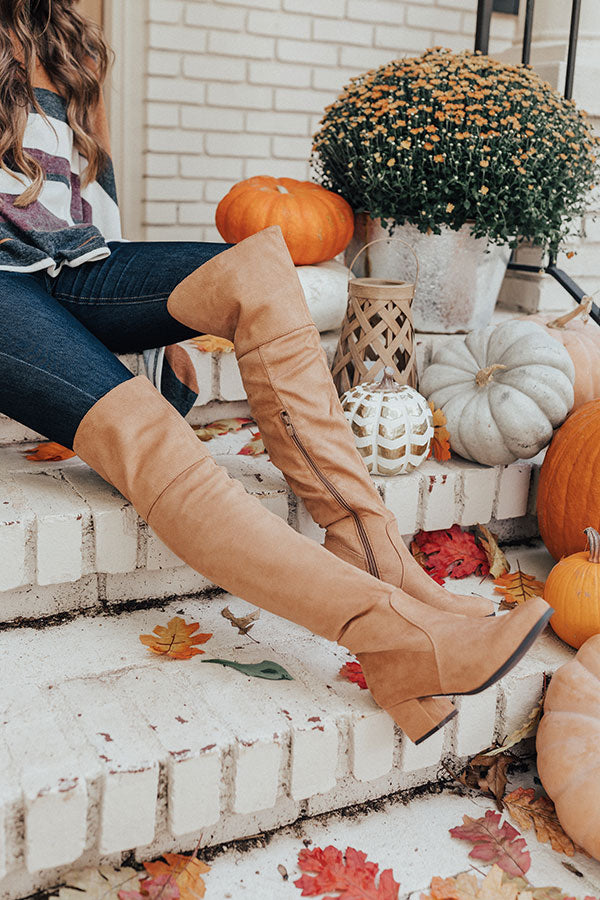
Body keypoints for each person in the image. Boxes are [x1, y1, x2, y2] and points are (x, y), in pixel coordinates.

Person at [0, 0, 552, 745]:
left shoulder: (57, 36)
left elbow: (85, 201)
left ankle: (369, 543)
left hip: (71, 262)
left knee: (259, 266)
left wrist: (151, 338)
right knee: (144, 428)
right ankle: (396, 641)